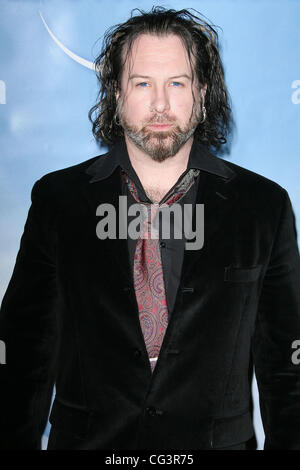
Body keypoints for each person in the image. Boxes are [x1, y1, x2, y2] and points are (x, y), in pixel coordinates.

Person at [0, 6, 300, 451]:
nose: (160, 104)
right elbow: (22, 361)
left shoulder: (262, 207)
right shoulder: (58, 202)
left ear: (201, 94)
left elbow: (287, 372)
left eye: (176, 83)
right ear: (117, 94)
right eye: (142, 83)